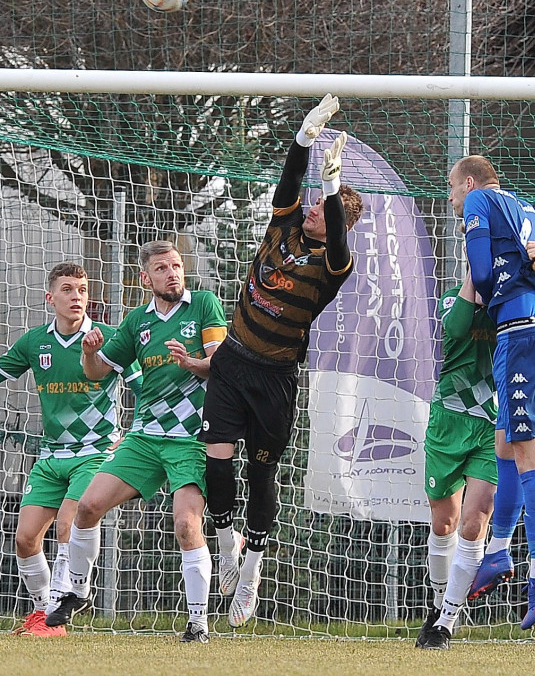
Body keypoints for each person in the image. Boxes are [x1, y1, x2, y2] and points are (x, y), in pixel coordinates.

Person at [199, 94, 364, 629]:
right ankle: (227, 544)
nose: (313, 207)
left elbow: (337, 234)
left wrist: (336, 188)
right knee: (216, 462)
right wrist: (304, 138)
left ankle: (252, 570)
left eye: (323, 206)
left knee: (260, 473)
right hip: (231, 362)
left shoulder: (333, 266)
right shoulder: (283, 228)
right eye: (316, 202)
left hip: (274, 379)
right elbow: (290, 184)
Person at [45, 241, 227, 645]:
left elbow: (220, 367)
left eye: (176, 266)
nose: (172, 274)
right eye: (162, 268)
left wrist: (191, 363)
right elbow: (96, 372)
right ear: (146, 278)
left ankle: (198, 624)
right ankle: (77, 590)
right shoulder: (136, 322)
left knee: (185, 524)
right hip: (144, 436)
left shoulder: (204, 305)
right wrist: (89, 354)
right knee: (88, 506)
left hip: (190, 438)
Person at [445, 155, 535, 630]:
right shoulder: (534, 213)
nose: (452, 202)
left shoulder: (482, 199)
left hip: (524, 335)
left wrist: (492, 284)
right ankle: (499, 550)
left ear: (469, 183)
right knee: (505, 443)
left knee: (531, 454)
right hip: (531, 335)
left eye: (452, 191)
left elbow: (483, 275)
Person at [417, 242, 535, 650]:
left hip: (494, 425)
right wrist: (476, 273)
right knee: (445, 523)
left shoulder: (518, 304)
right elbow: (456, 329)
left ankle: (446, 623)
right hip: (448, 423)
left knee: (475, 521)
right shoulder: (454, 299)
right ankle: (438, 605)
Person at [0, 263, 142, 637]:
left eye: (81, 289)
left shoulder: (109, 337)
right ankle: (43, 613)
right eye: (67, 289)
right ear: (51, 298)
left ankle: (59, 610)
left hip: (95, 452)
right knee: (25, 538)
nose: (77, 296)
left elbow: (144, 388)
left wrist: (137, 433)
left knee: (68, 523)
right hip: (51, 457)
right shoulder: (34, 342)